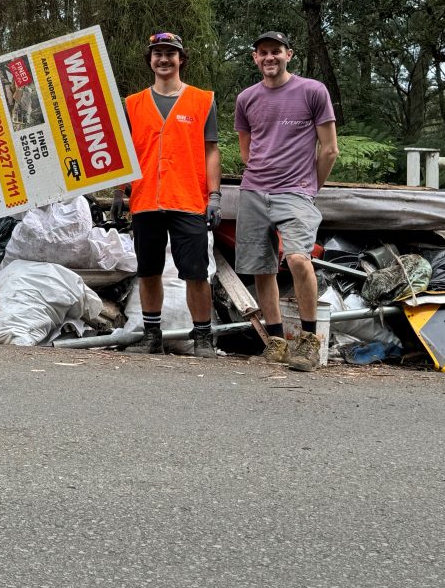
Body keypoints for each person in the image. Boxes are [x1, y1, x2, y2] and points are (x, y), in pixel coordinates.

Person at [235, 30, 339, 372]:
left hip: (295, 192)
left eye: (276, 51)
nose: (269, 58)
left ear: (288, 55)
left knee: (297, 258)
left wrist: (310, 189)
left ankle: (308, 341)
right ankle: (276, 342)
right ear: (255, 58)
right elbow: (247, 150)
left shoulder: (312, 91)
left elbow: (329, 149)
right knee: (261, 267)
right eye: (262, 52)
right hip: (254, 191)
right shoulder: (246, 98)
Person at [121, 31, 221, 357]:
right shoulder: (132, 104)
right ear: (150, 60)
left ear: (181, 59)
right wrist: (121, 192)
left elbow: (211, 151)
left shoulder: (202, 100)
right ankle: (152, 336)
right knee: (148, 271)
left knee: (196, 272)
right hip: (146, 198)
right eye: (158, 54)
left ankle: (203, 338)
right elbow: (125, 152)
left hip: (188, 199)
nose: (164, 59)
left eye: (170, 53)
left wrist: (215, 195)